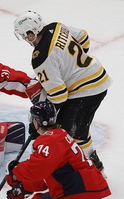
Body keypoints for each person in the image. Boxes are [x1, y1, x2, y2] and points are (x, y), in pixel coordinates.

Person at [13, 10, 113, 172]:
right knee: (79, 129)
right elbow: (84, 38)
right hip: (97, 77)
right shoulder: (56, 27)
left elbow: (59, 95)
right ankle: (92, 167)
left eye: (25, 35)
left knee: (68, 134)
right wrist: (72, 64)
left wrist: (42, 116)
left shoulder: (40, 57)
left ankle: (92, 173)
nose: (25, 39)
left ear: (31, 33)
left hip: (86, 92)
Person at [5, 101, 111, 199]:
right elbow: (47, 176)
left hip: (76, 195)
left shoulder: (49, 140)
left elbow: (38, 168)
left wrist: (16, 173)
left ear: (36, 121)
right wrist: (24, 188)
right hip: (83, 191)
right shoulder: (59, 135)